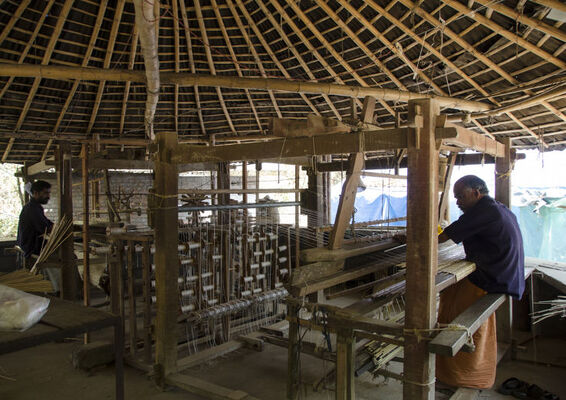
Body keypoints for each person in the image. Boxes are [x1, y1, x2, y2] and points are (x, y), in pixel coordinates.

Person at [436, 175, 525, 389]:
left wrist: (411, 239)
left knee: (454, 315)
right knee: (450, 292)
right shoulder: (495, 207)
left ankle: (461, 375)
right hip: (506, 273)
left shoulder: (482, 211)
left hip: (494, 278)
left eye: (461, 196)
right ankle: (452, 370)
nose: (457, 201)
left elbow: (444, 236)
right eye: (455, 197)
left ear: (476, 193)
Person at [16, 180, 60, 291]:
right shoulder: (32, 209)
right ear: (35, 193)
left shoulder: (35, 207)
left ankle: (56, 287)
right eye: (45, 193)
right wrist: (57, 229)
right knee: (64, 255)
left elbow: (46, 223)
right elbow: (44, 228)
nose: (48, 196)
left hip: (31, 242)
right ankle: (57, 288)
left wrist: (56, 226)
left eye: (49, 193)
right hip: (31, 245)